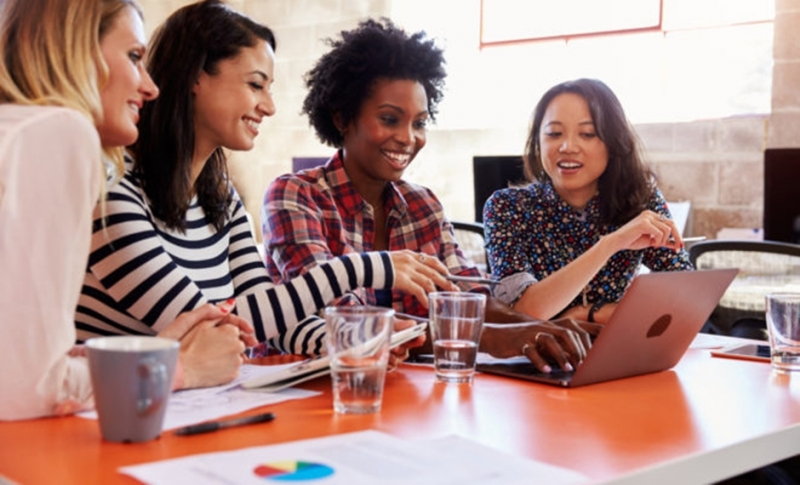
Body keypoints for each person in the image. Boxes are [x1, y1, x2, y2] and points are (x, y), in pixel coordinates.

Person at [74, 0, 450, 364]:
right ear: (195, 77)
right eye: (256, 85)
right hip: (105, 418)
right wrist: (367, 267)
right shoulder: (111, 187)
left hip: (186, 409)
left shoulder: (220, 197)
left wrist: (358, 339)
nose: (269, 106)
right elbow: (208, 327)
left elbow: (271, 322)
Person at [262, 18, 597, 373]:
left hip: (402, 397)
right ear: (343, 117)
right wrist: (494, 338)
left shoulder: (423, 205)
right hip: (307, 395)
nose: (409, 138)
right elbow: (345, 321)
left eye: (419, 123)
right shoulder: (295, 196)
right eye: (390, 119)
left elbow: (467, 297)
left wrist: (538, 328)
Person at [0, 0, 262, 421]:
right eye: (134, 57)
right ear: (76, 49)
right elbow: (28, 388)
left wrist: (147, 354)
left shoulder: (20, 128)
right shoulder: (58, 133)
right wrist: (179, 368)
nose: (150, 86)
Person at [484, 78, 694, 324]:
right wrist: (610, 245)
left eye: (587, 133)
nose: (568, 146)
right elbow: (520, 314)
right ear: (538, 141)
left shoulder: (640, 201)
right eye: (554, 133)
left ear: (613, 141)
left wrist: (591, 313)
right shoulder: (507, 207)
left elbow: (687, 301)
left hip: (619, 353)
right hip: (537, 358)